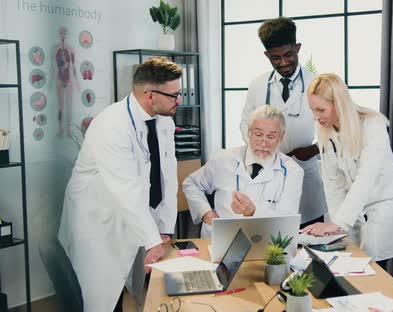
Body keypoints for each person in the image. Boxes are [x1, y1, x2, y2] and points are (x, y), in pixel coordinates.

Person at [58, 56, 182, 312]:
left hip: (130, 216)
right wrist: (152, 240)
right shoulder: (112, 125)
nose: (179, 100)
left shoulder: (164, 122)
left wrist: (165, 227)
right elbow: (126, 190)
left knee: (131, 293)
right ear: (149, 95)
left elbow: (167, 176)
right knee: (100, 300)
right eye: (174, 95)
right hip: (97, 222)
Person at [301, 73, 393, 272]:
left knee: (375, 270)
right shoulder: (324, 129)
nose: (316, 116)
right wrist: (336, 229)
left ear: (339, 104)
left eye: (321, 109)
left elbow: (366, 178)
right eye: (312, 109)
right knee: (350, 265)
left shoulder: (372, 125)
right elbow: (332, 182)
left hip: (384, 206)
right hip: (356, 210)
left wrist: (339, 222)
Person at [240, 17, 326, 228]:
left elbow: (337, 132)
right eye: (275, 57)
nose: (283, 63)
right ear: (267, 55)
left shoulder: (317, 84)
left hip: (306, 175)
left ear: (297, 48)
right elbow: (245, 125)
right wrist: (265, 149)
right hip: (270, 174)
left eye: (289, 55)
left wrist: (314, 149)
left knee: (309, 243)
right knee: (272, 240)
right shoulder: (258, 85)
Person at [184, 106, 304, 237]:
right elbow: (191, 184)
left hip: (264, 242)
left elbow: (287, 222)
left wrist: (253, 212)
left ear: (281, 138)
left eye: (270, 136)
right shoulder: (223, 159)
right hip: (219, 237)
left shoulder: (292, 171)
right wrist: (206, 214)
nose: (263, 142)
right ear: (249, 133)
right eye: (258, 134)